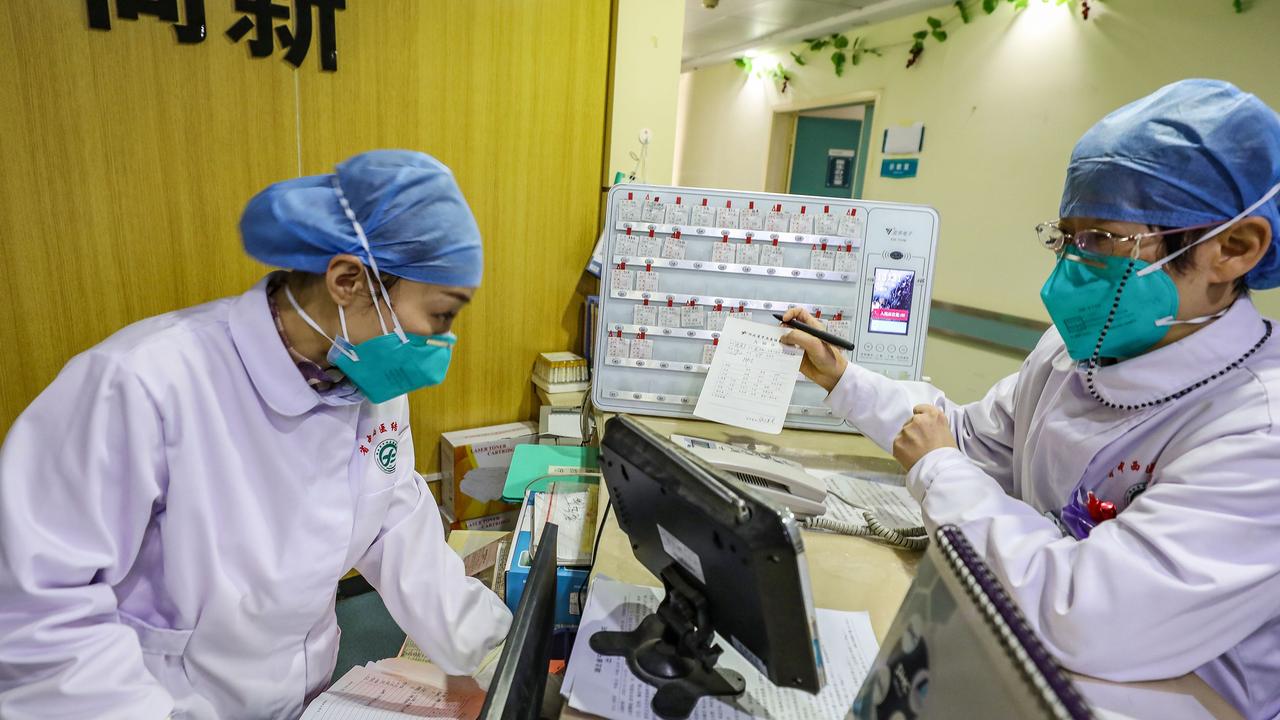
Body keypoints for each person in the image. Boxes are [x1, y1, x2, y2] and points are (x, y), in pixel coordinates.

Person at [782, 79, 1280, 719]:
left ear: (1232, 251)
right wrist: (844, 380)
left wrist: (939, 470)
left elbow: (1089, 616)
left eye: (1102, 239)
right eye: (1067, 236)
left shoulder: (1257, 431)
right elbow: (967, 442)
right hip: (1016, 650)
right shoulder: (1072, 352)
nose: (1071, 267)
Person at [0, 150, 513, 719]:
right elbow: (35, 610)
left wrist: (499, 657)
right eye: (440, 315)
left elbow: (396, 528)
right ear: (348, 281)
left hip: (303, 698)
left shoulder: (369, 380)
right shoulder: (140, 384)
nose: (441, 340)